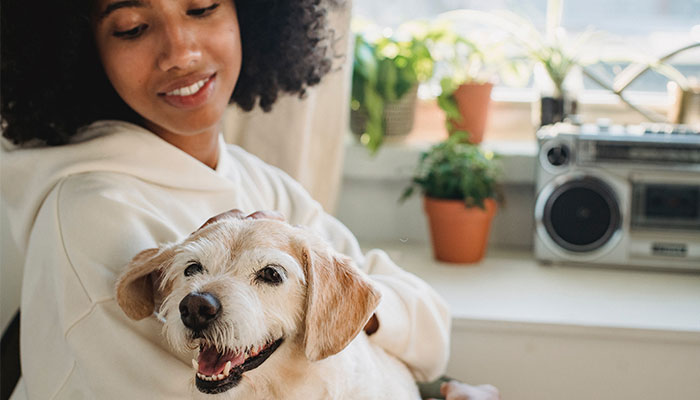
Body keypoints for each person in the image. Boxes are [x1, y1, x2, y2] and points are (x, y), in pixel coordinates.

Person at [0, 0, 497, 399]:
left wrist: (339, 310)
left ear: (250, 18)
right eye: (132, 26)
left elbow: (423, 323)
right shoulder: (88, 213)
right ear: (84, 49)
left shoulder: (261, 182)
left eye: (202, 8)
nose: (181, 51)